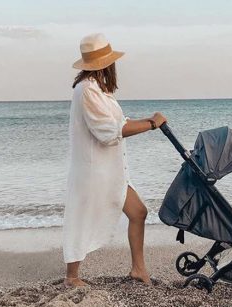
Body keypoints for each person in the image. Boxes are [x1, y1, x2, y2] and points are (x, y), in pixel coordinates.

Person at [62, 33, 167, 288]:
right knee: (81, 218)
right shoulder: (87, 90)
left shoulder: (99, 90)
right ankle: (71, 277)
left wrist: (146, 120)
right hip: (93, 171)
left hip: (112, 171)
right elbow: (109, 131)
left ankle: (138, 269)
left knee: (138, 212)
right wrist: (152, 124)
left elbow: (119, 122)